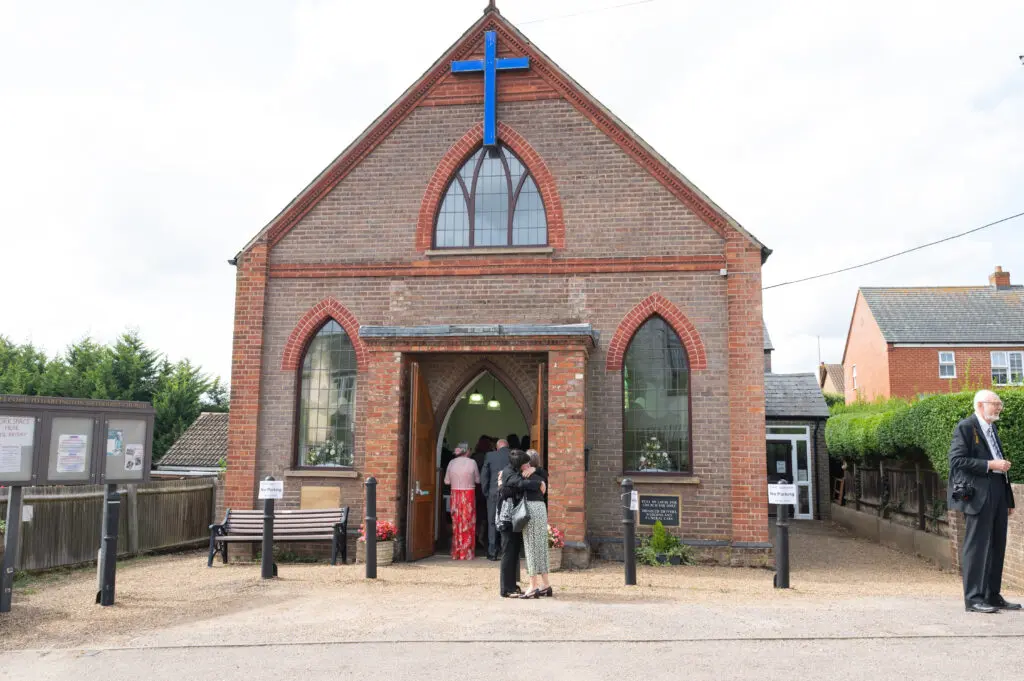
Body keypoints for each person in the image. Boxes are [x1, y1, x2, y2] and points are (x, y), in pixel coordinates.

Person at [948, 389, 1018, 613]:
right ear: (980, 405)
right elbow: (957, 460)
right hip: (978, 495)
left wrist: (1007, 499)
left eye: (999, 404)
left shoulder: (992, 428)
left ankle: (992, 595)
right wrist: (990, 464)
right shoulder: (966, 427)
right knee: (977, 546)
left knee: (998, 545)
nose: (999, 408)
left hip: (997, 492)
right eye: (994, 404)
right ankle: (974, 598)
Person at [502, 449, 552, 598]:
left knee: (530, 548)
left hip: (530, 509)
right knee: (541, 547)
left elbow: (515, 485)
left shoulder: (523, 475)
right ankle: (546, 584)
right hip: (541, 509)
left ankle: (533, 586)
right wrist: (540, 481)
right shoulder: (540, 475)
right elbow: (544, 476)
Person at [497, 450, 527, 597]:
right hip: (507, 518)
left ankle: (512, 585)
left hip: (513, 518)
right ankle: (505, 589)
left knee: (514, 552)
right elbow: (519, 484)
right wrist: (535, 482)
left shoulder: (512, 472)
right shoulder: (509, 472)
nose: (527, 465)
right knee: (508, 552)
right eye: (525, 463)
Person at [444, 442, 480, 560]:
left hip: (455, 494)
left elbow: (446, 481)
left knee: (456, 522)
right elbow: (478, 480)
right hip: (468, 493)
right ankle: (467, 552)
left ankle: (457, 552)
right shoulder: (472, 462)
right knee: (468, 522)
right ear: (467, 451)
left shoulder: (451, 463)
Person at [480, 438, 511, 560]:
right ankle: (506, 552)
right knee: (507, 521)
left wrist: (486, 491)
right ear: (507, 446)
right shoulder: (512, 455)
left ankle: (492, 552)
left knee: (492, 522)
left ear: (497, 447)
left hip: (493, 493)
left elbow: (484, 475)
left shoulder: (490, 455)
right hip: (509, 494)